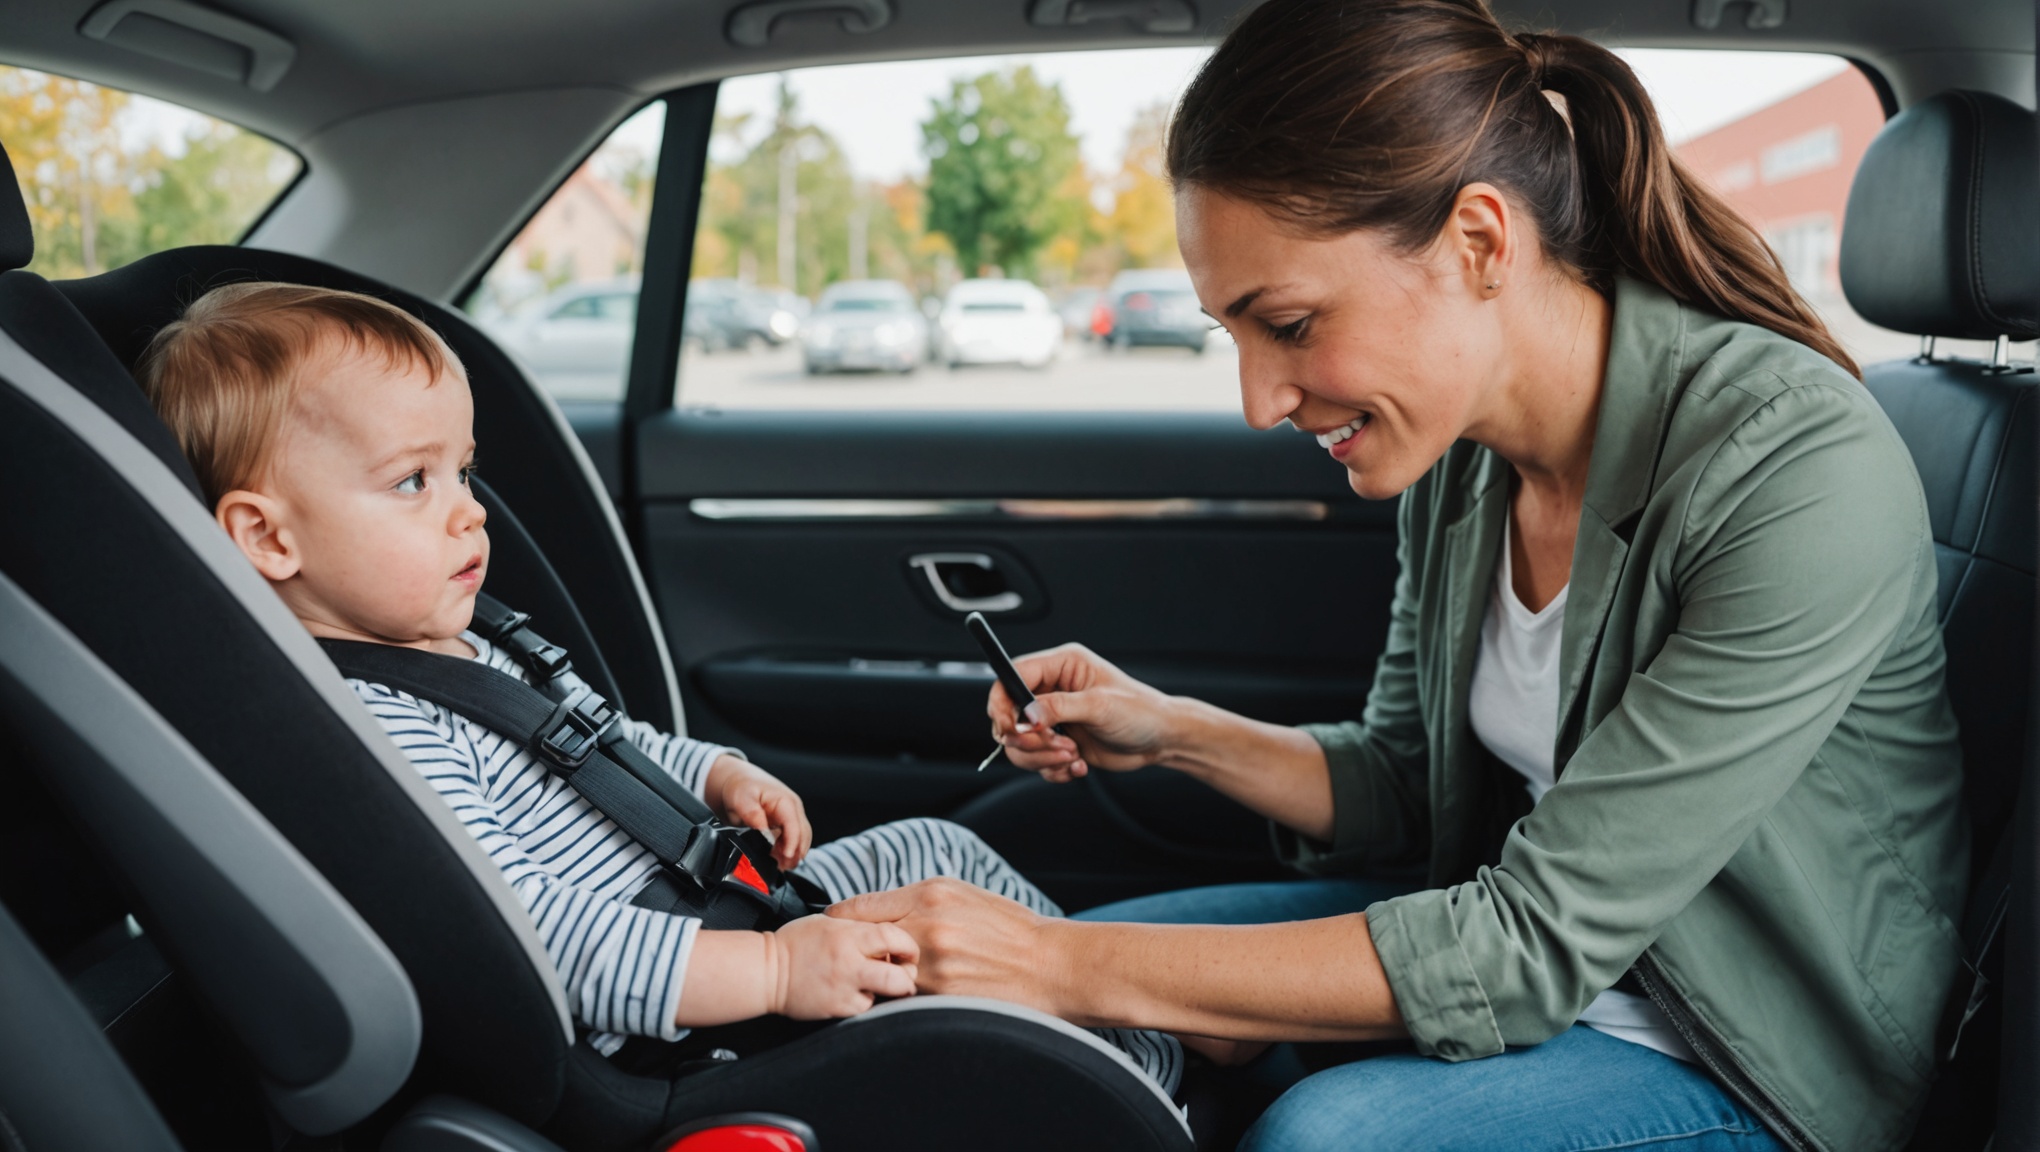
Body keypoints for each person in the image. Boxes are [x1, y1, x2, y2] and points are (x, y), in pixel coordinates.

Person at [828, 2, 1969, 1150]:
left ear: (1479, 243)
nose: (1260, 401)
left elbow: (1527, 946)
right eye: (1234, 334)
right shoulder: (1460, 459)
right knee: (1040, 1020)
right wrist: (1167, 730)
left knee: (1318, 1133)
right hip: (1535, 950)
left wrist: (1071, 964)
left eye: (1289, 322)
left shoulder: (1791, 466)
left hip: (1745, 1047)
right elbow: (1402, 780)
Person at [138, 281, 1182, 1093]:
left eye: (464, 471)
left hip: (717, 911)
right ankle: (1146, 1081)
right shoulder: (378, 728)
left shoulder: (467, 641)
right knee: (932, 957)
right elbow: (539, 938)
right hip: (685, 1012)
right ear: (267, 537)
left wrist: (717, 773)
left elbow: (609, 745)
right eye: (415, 482)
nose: (469, 513)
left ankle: (1147, 1026)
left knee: (939, 850)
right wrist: (776, 976)